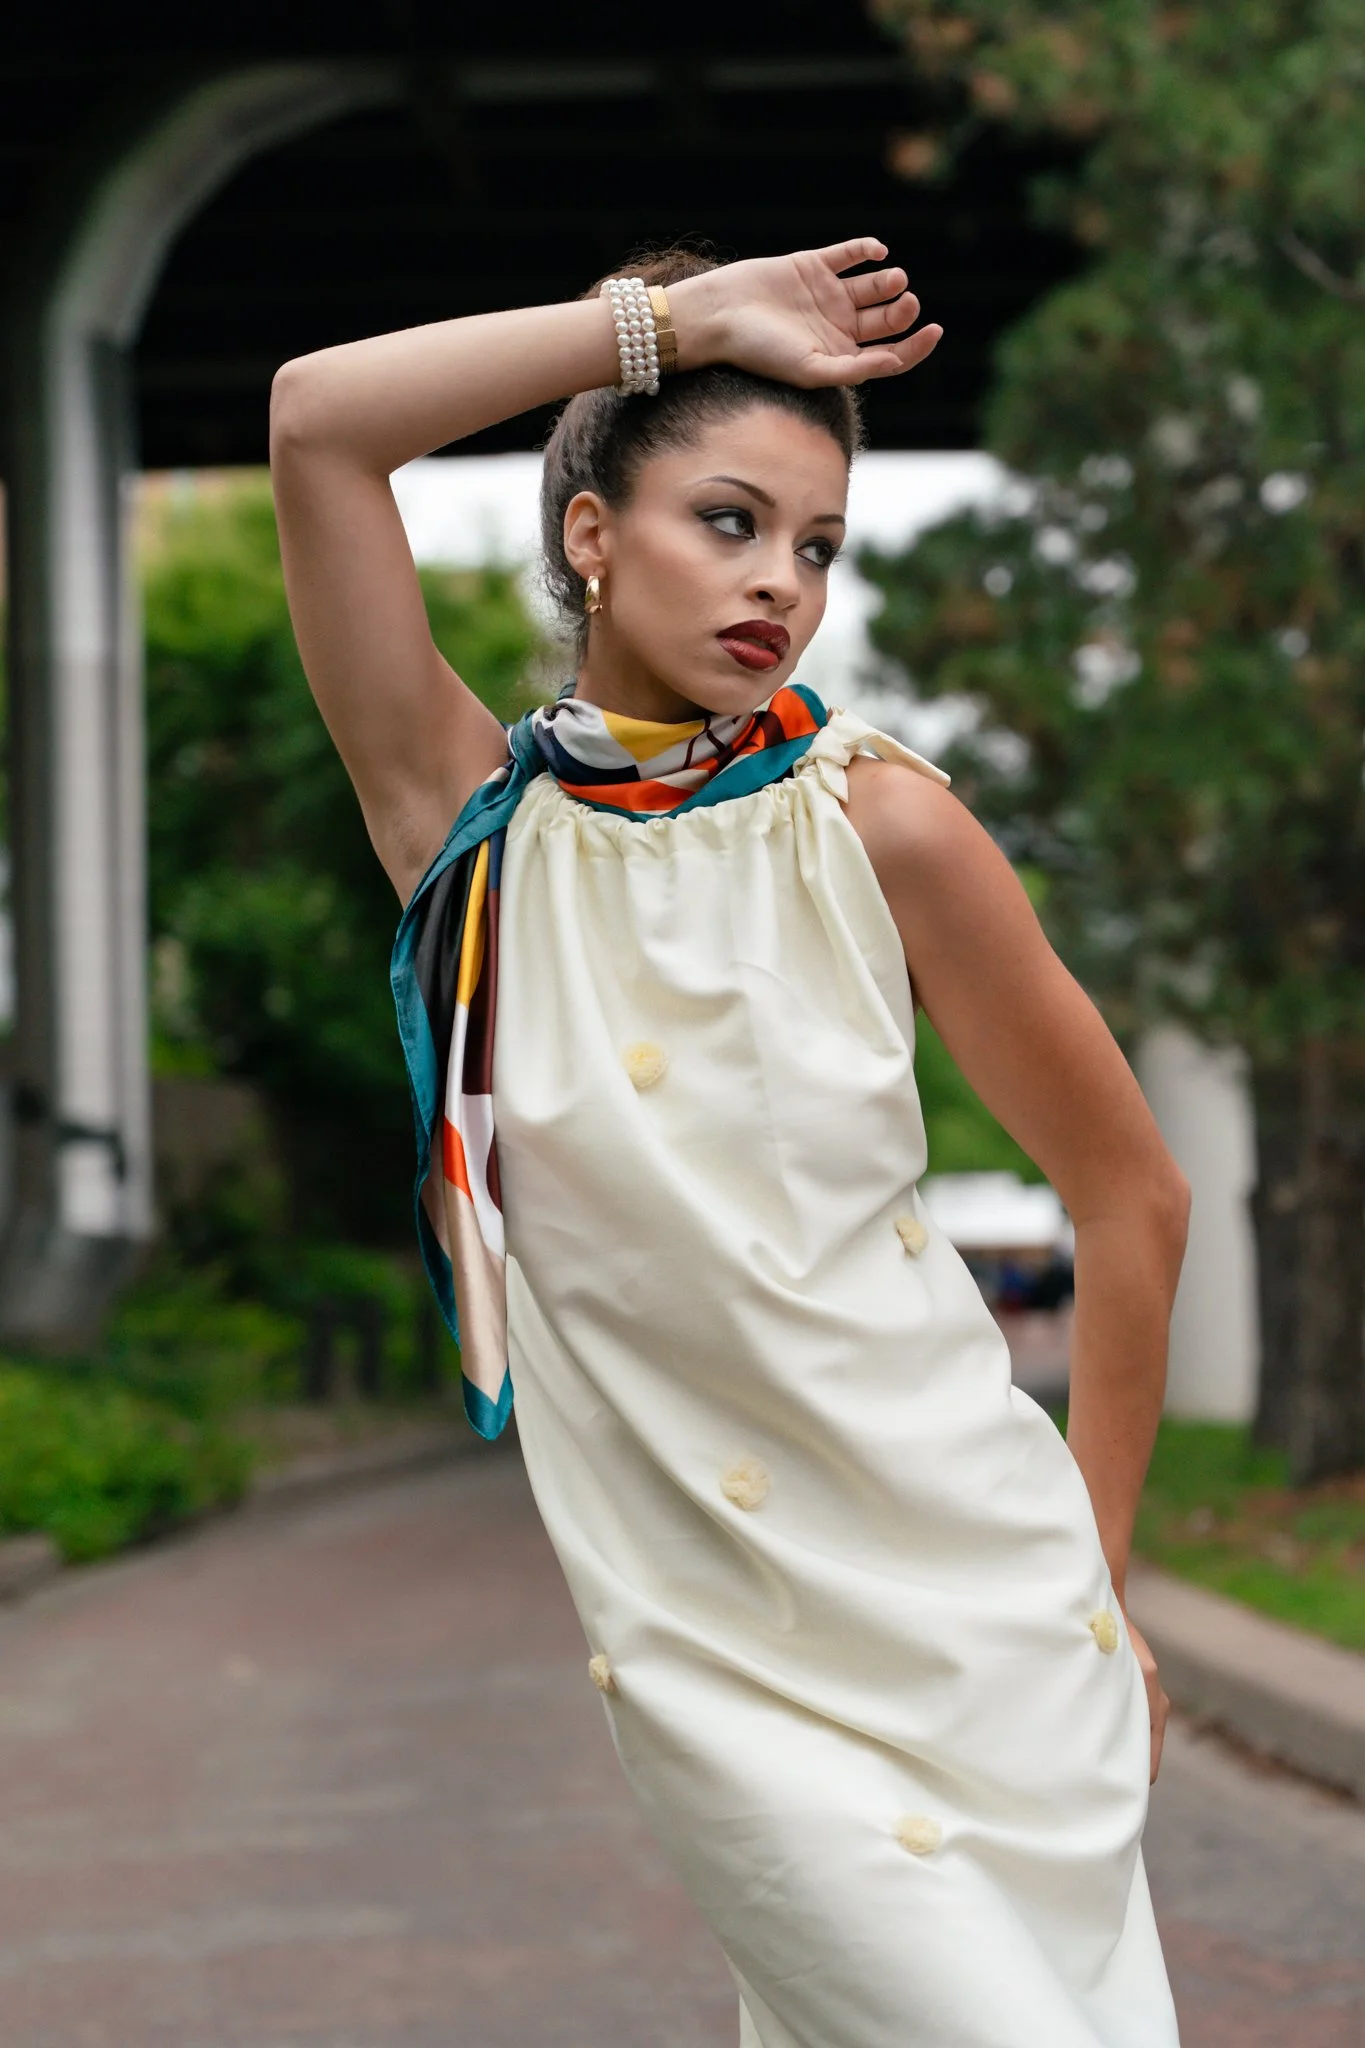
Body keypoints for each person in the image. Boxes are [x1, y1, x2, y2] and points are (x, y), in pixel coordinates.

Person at [270, 238, 1188, 2047]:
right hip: (720, 1666)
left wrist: (1100, 1578)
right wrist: (669, 328)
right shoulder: (469, 829)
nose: (783, 581)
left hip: (986, 1620)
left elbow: (1130, 1190)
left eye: (819, 544)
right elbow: (316, 426)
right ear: (592, 534)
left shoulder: (879, 822)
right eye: (728, 519)